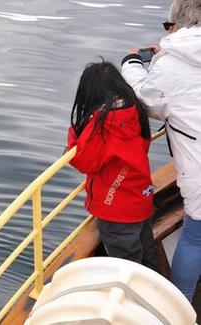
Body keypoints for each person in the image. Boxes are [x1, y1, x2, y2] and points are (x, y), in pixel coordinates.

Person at [121, 0, 201, 301]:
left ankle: (180, 308)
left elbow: (149, 101)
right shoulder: (169, 60)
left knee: (195, 238)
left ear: (178, 22)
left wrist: (132, 64)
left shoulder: (170, 64)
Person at [66, 61, 159, 271]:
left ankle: (138, 301)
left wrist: (74, 132)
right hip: (140, 199)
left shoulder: (103, 124)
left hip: (115, 208)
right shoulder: (134, 110)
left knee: (127, 267)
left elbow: (84, 161)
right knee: (147, 254)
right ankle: (159, 293)